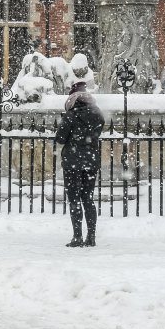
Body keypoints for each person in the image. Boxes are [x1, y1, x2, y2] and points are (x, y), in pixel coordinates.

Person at [54, 80, 106, 247]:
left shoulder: (70, 115)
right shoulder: (98, 114)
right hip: (91, 161)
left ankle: (77, 237)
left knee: (74, 199)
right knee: (88, 199)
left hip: (73, 163)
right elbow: (97, 133)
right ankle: (91, 237)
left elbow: (60, 139)